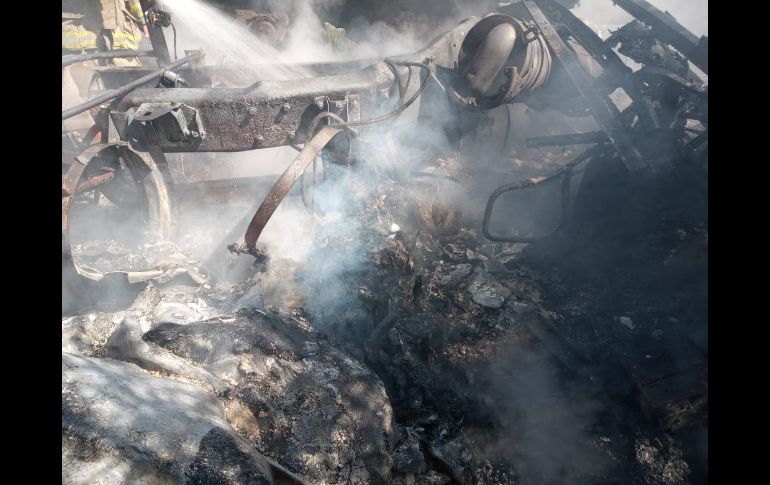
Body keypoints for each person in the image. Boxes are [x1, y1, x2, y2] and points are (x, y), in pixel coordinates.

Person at [62, 1, 149, 134]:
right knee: (84, 111)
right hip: (81, 49)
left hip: (115, 46)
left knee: (135, 101)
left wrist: (141, 19)